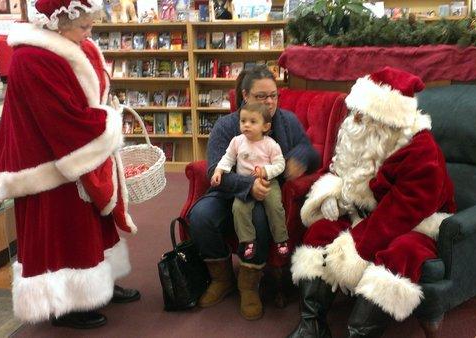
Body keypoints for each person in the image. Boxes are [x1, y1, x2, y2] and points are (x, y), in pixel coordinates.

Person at [0, 0, 140, 330]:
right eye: (83, 26)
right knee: (63, 229)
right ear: (57, 22)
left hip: (76, 151)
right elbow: (59, 118)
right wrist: (107, 125)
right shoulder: (32, 57)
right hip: (48, 162)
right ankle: (65, 304)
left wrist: (101, 121)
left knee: (93, 223)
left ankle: (98, 287)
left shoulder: (75, 44)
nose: (89, 33)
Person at [288, 67, 457, 337]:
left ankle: (360, 332)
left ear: (385, 121)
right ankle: (313, 325)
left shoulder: (422, 151)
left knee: (401, 255)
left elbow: (402, 212)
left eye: (361, 115)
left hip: (416, 224)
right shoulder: (362, 136)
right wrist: (334, 196)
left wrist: (354, 246)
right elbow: (344, 173)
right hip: (366, 216)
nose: (353, 120)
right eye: (354, 111)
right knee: (320, 231)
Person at [188, 64, 320, 320]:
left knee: (259, 219)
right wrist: (247, 185)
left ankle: (249, 285)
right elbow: (214, 169)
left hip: (268, 196)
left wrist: (299, 158)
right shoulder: (227, 126)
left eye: (273, 95)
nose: (270, 102)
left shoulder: (287, 121)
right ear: (245, 96)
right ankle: (222, 278)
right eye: (262, 96)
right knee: (200, 217)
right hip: (228, 194)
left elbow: (310, 152)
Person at [210, 101, 289, 260]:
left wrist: (266, 171)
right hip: (244, 184)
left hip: (268, 182)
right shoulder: (237, 141)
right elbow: (228, 158)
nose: (246, 125)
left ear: (265, 127)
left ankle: (281, 239)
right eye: (243, 121)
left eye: (253, 122)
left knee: (275, 206)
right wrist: (219, 170)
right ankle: (247, 241)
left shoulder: (270, 145)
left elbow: (280, 164)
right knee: (238, 209)